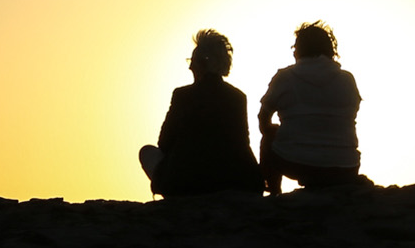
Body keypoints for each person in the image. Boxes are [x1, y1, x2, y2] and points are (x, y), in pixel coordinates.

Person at [139, 29, 264, 197]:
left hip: (186, 183)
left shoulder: (182, 95)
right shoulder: (238, 97)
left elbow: (164, 142)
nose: (190, 66)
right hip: (233, 180)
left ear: (203, 64)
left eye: (193, 61)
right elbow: (242, 143)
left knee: (147, 151)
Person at [258, 22, 364, 193]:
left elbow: (263, 117)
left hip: (296, 163)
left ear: (298, 49)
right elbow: (352, 113)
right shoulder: (347, 79)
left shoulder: (284, 77)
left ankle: (274, 192)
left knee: (269, 137)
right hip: (346, 165)